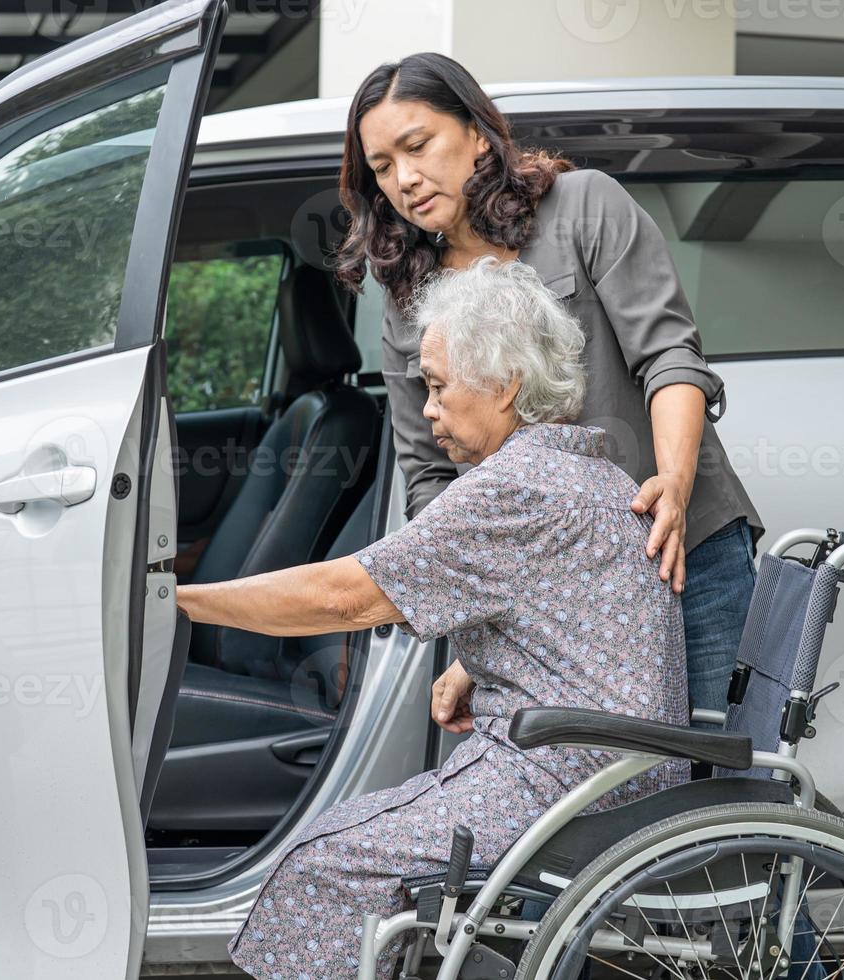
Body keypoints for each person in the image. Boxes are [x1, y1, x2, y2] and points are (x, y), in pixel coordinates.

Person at [182, 259, 690, 980]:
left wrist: (178, 601)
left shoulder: (511, 490)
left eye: (440, 386)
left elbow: (345, 598)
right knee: (344, 841)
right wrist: (469, 665)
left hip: (567, 780)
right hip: (614, 771)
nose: (427, 410)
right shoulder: (589, 471)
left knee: (325, 867)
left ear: (505, 383)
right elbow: (560, 613)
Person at [333, 52, 765, 729]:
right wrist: (477, 637)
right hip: (559, 601)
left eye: (417, 146)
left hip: (687, 555)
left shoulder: (584, 205)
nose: (405, 179)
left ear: (478, 131)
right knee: (608, 813)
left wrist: (675, 486)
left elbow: (671, 358)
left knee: (727, 790)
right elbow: (429, 479)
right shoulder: (406, 299)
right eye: (382, 167)